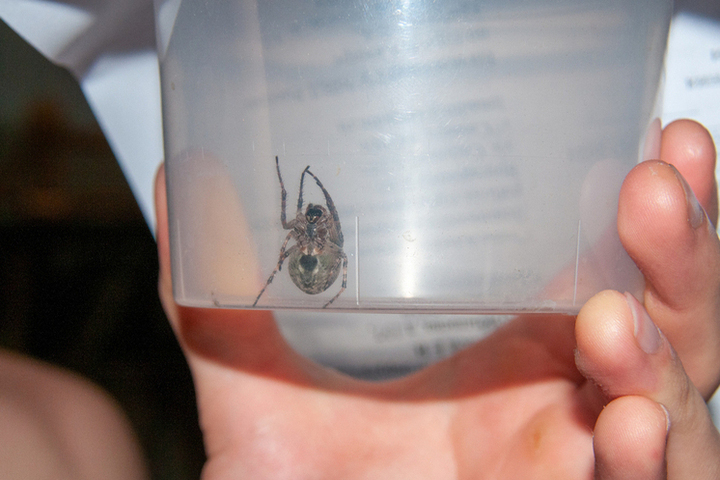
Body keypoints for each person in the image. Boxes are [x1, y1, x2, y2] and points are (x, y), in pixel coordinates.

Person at [152, 118, 720, 479]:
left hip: (314, 272)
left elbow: (320, 237)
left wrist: (310, 210)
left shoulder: (318, 234)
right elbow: (304, 229)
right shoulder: (313, 233)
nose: (311, 220)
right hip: (312, 272)